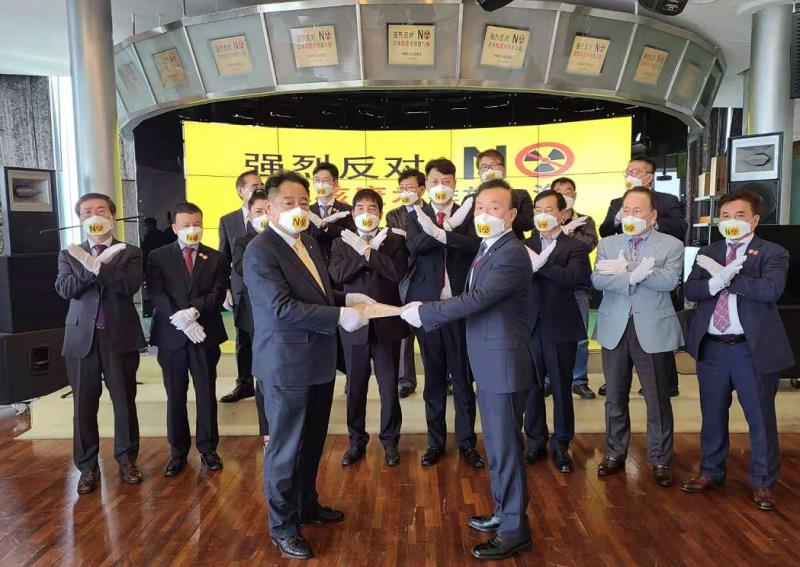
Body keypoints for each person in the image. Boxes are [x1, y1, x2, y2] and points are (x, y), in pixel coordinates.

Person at [401, 179, 534, 560]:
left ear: (511, 215)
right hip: (489, 360)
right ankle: (503, 511)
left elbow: (477, 299)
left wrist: (426, 311)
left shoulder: (511, 252)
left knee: (506, 448)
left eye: (494, 207)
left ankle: (515, 530)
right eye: (480, 207)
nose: (484, 214)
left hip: (503, 364)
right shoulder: (488, 247)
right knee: (497, 445)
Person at [243, 171, 372, 561]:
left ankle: (306, 504)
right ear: (268, 207)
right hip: (285, 365)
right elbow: (281, 307)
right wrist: (338, 316)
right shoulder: (260, 250)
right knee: (285, 450)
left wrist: (346, 298)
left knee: (312, 442)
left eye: (303, 202)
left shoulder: (309, 242)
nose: (298, 209)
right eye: (288, 202)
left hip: (317, 360)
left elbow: (317, 292)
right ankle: (283, 526)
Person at [681, 190, 793, 512]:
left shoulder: (772, 252)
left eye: (739, 216)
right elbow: (691, 290)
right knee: (712, 416)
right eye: (726, 216)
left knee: (760, 419)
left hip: (750, 350)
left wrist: (729, 277)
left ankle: (763, 482)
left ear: (754, 220)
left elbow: (770, 290)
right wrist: (714, 281)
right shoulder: (709, 251)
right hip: (713, 349)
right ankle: (710, 471)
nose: (731, 221)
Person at [591, 187, 683, 487]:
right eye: (626, 210)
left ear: (652, 215)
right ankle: (614, 453)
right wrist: (633, 275)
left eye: (638, 210)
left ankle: (660, 459)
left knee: (657, 399)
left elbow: (670, 281)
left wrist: (631, 272)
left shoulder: (671, 244)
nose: (630, 216)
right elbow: (598, 279)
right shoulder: (608, 244)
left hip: (652, 329)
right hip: (615, 327)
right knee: (615, 397)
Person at [55, 193, 146, 495]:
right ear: (80, 219)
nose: (94, 216)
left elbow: (129, 286)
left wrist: (101, 266)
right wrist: (88, 265)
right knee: (83, 405)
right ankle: (87, 467)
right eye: (87, 212)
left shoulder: (129, 252)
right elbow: (65, 289)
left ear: (112, 216)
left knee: (124, 402)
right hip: (82, 338)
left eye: (101, 210)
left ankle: (127, 460)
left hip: (119, 337)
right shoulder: (69, 254)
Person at [405, 157, 484, 469]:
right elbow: (414, 245)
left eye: (447, 181)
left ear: (455, 184)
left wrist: (446, 233)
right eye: (435, 181)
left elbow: (474, 244)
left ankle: (467, 443)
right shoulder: (416, 212)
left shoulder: (468, 212)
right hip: (428, 310)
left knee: (463, 380)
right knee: (434, 380)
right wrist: (441, 229)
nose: (441, 186)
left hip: (461, 308)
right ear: (426, 184)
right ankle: (435, 443)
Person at [147, 202, 229, 477]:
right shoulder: (158, 256)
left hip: (204, 333)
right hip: (171, 335)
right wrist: (179, 319)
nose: (192, 229)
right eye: (186, 225)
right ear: (175, 227)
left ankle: (208, 448)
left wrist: (193, 312)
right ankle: (178, 451)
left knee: (206, 392)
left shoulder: (215, 257)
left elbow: (218, 293)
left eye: (197, 224)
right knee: (175, 395)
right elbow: (157, 293)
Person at [329, 189, 409, 467]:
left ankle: (390, 441)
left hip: (387, 324)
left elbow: (396, 272)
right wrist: (363, 255)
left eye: (372, 208)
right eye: (360, 208)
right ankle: (356, 441)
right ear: (352, 213)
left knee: (389, 387)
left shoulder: (394, 240)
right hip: (354, 325)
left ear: (381, 213)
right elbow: (337, 275)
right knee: (355, 387)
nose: (366, 213)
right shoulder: (341, 242)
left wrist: (368, 251)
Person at [597, 156, 684, 398]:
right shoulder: (617, 203)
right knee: (615, 396)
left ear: (650, 176)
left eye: (637, 171)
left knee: (657, 389)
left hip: (654, 307)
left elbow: (679, 228)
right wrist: (620, 217)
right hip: (618, 312)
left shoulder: (667, 200)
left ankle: (669, 384)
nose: (631, 174)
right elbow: (605, 231)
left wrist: (648, 225)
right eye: (628, 170)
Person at [523, 190, 591, 473]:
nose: (542, 215)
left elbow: (575, 279)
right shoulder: (523, 245)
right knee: (531, 389)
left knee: (562, 388)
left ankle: (561, 444)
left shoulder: (574, 246)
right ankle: (535, 442)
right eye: (538, 209)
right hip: (529, 327)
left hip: (560, 327)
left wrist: (541, 265)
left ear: (562, 214)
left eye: (549, 209)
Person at [550, 177, 598, 400]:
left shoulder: (585, 220)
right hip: (550, 285)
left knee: (580, 337)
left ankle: (578, 380)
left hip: (578, 285)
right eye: (558, 190)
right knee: (550, 335)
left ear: (575, 195)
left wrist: (567, 233)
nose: (563, 194)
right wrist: (561, 231)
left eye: (567, 191)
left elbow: (588, 244)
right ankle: (549, 380)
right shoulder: (544, 219)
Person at [219, 170, 263, 404]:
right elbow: (224, 258)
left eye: (261, 185)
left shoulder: (272, 214)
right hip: (240, 289)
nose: (258, 188)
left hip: (268, 291)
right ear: (240, 190)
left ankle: (265, 383)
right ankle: (244, 384)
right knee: (243, 339)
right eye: (253, 186)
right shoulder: (228, 220)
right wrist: (225, 289)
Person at [231, 190, 271, 446]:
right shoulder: (243, 242)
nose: (264, 216)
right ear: (250, 216)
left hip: (286, 319)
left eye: (268, 211)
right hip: (257, 318)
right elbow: (241, 268)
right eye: (258, 212)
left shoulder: (295, 239)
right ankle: (267, 431)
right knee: (263, 375)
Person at [386, 168, 425, 399]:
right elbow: (398, 245)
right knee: (405, 332)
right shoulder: (394, 214)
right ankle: (405, 380)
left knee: (435, 330)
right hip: (404, 277)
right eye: (402, 188)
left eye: (410, 188)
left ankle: (446, 377)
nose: (405, 192)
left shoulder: (432, 211)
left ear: (422, 189)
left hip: (431, 276)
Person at [475, 148, 534, 239]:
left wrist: (501, 215)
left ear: (503, 169)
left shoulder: (521, 195)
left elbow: (528, 224)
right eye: (484, 167)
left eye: (494, 165)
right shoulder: (471, 199)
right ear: (479, 173)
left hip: (511, 244)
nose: (489, 171)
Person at [308, 162, 357, 264]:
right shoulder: (308, 211)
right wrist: (321, 225)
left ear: (335, 183)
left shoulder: (347, 210)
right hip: (314, 263)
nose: (320, 184)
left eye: (325, 180)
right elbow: (305, 236)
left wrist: (328, 227)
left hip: (340, 264)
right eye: (317, 180)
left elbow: (351, 235)